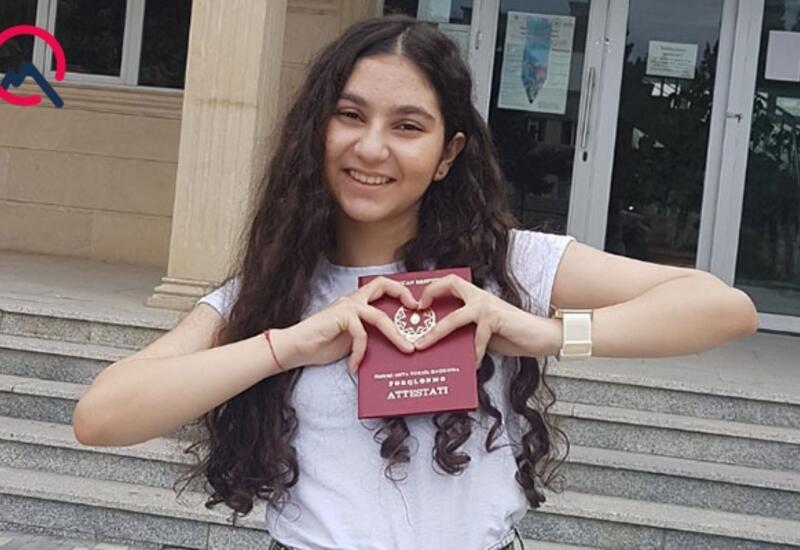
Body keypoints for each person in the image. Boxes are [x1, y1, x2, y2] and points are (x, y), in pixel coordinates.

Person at [72, 15, 759, 550]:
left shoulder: (509, 263)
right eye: (350, 116)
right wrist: (290, 344)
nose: (371, 147)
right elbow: (101, 416)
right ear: (318, 130)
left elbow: (722, 308)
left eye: (407, 126)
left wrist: (541, 331)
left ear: (446, 154)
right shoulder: (272, 290)